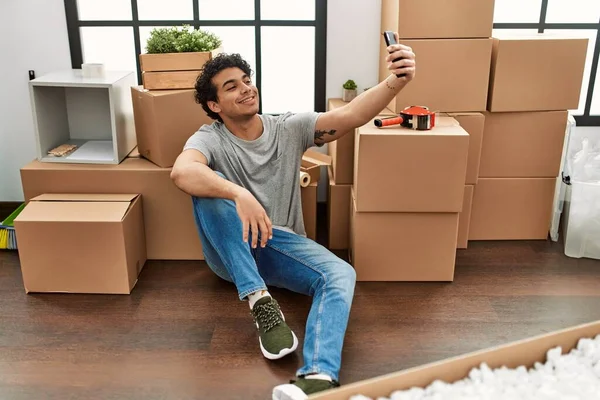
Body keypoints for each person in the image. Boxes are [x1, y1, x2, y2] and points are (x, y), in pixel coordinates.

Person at [170, 31, 416, 400]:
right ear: (215, 105)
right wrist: (239, 193)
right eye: (232, 86)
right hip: (230, 251)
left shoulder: (288, 127)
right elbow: (181, 172)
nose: (246, 89)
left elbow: (349, 115)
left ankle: (316, 375)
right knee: (208, 188)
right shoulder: (210, 138)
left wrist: (396, 82)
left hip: (281, 245)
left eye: (248, 81)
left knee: (340, 273)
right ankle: (260, 302)